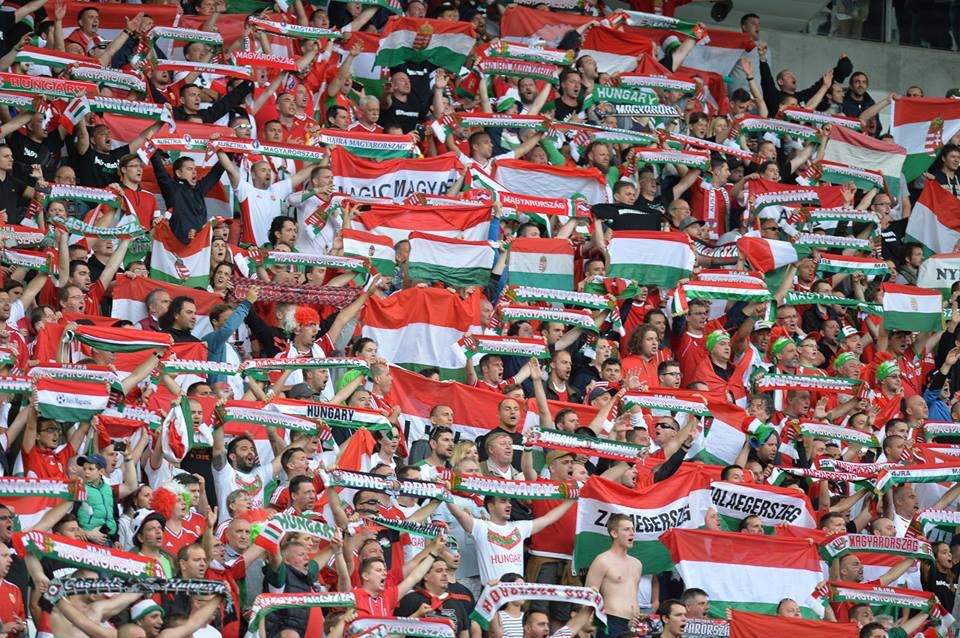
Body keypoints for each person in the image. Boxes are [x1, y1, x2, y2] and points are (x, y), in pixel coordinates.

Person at [585, 514, 643, 638]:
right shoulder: (602, 560)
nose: (632, 533)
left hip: (634, 624)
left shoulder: (637, 564)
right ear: (614, 533)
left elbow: (633, 594)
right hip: (611, 621)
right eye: (626, 529)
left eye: (632, 529)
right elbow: (589, 596)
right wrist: (590, 626)